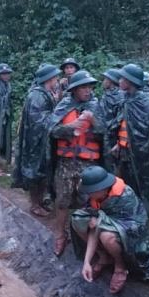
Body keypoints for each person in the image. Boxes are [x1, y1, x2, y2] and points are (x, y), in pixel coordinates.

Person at [70, 166, 149, 293]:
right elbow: (94, 228)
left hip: (132, 228)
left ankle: (120, 267)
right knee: (78, 220)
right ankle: (104, 257)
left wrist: (100, 221)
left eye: (91, 191)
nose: (89, 194)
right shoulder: (95, 197)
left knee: (107, 237)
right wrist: (86, 262)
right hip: (107, 223)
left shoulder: (124, 196)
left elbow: (134, 225)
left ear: (102, 188)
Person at [48, 70, 103, 256]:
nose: (87, 91)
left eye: (89, 87)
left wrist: (92, 120)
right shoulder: (64, 105)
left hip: (89, 164)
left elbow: (105, 132)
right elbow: (52, 130)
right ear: (74, 90)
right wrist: (71, 127)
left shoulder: (96, 106)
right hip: (66, 162)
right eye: (83, 88)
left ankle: (84, 238)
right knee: (62, 200)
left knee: (86, 202)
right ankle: (60, 235)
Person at [12, 63, 61, 217]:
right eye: (55, 77)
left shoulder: (45, 93)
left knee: (42, 173)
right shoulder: (38, 96)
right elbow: (38, 120)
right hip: (35, 142)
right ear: (49, 79)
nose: (58, 80)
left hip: (41, 140)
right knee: (35, 173)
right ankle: (35, 205)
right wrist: (57, 118)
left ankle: (39, 202)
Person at [108, 64, 149, 214]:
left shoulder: (146, 101)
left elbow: (148, 129)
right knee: (126, 184)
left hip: (141, 154)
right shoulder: (126, 99)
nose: (119, 81)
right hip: (124, 152)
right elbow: (125, 125)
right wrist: (119, 143)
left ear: (130, 81)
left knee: (142, 185)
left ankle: (146, 217)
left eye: (122, 78)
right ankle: (129, 213)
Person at [98, 68, 124, 171]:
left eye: (105, 79)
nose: (103, 81)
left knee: (111, 165)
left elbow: (118, 118)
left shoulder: (116, 96)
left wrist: (107, 130)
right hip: (109, 134)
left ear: (111, 81)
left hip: (111, 136)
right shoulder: (109, 94)